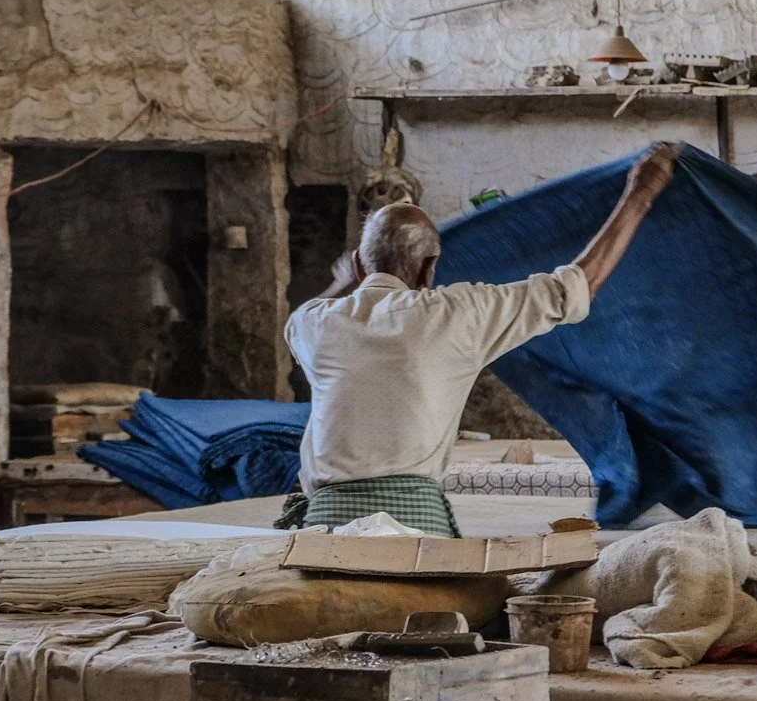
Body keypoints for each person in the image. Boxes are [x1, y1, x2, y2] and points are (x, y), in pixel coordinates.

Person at [279, 141, 684, 536]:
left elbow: (298, 320)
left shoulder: (316, 322)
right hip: (413, 527)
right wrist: (640, 193)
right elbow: (574, 288)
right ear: (429, 269)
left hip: (324, 526)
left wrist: (342, 282)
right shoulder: (456, 313)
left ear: (358, 267)